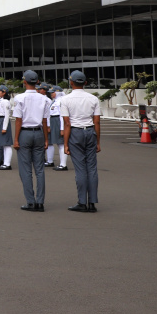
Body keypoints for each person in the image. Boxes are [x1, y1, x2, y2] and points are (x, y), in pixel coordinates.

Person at [60, 70, 102, 213]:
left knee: (80, 169)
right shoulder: (93, 99)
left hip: (75, 132)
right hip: (90, 131)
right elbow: (97, 121)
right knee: (92, 168)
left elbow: (67, 124)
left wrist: (65, 144)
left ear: (71, 82)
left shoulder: (65, 99)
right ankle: (92, 203)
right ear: (85, 83)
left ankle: (82, 202)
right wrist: (97, 141)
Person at [13, 72, 50, 212]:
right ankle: (40, 202)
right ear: (38, 82)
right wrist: (46, 139)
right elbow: (45, 121)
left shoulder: (20, 98)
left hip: (25, 132)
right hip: (39, 132)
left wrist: (16, 139)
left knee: (26, 169)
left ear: (24, 81)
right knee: (40, 169)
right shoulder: (44, 98)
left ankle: (30, 201)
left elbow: (18, 120)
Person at [47, 86, 68, 169]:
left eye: (53, 92)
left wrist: (62, 128)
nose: (51, 94)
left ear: (58, 92)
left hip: (58, 122)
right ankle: (61, 164)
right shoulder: (55, 101)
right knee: (59, 143)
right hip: (54, 122)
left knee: (61, 144)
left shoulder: (61, 101)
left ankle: (63, 165)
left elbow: (62, 116)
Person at [0, 85, 14, 170]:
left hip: (3, 120)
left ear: (4, 92)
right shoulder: (1, 101)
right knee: (3, 144)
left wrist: (4, 127)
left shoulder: (5, 102)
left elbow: (6, 116)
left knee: (6, 144)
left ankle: (7, 164)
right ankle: (5, 163)